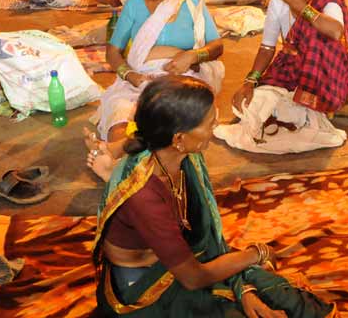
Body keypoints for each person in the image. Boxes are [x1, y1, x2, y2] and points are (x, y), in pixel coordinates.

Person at [89, 75, 335, 317]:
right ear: (179, 138)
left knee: (288, 301)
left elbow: (203, 238)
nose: (215, 126)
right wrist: (255, 254)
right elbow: (194, 277)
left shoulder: (181, 156)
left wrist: (243, 286)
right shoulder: (144, 196)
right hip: (143, 289)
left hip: (185, 257)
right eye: (209, 123)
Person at [217, 0, 348, 154]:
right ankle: (313, 110)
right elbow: (267, 47)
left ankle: (324, 103)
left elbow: (334, 31)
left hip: (326, 71)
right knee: (255, 105)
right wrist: (250, 81)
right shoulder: (278, 0)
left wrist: (295, 2)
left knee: (318, 36)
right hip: (290, 67)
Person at [92, 0, 224, 158]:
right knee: (120, 109)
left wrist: (192, 56)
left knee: (173, 114)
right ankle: (120, 153)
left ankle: (133, 151)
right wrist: (129, 75)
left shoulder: (193, 4)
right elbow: (113, 51)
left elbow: (217, 45)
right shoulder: (134, 6)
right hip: (141, 77)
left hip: (183, 79)